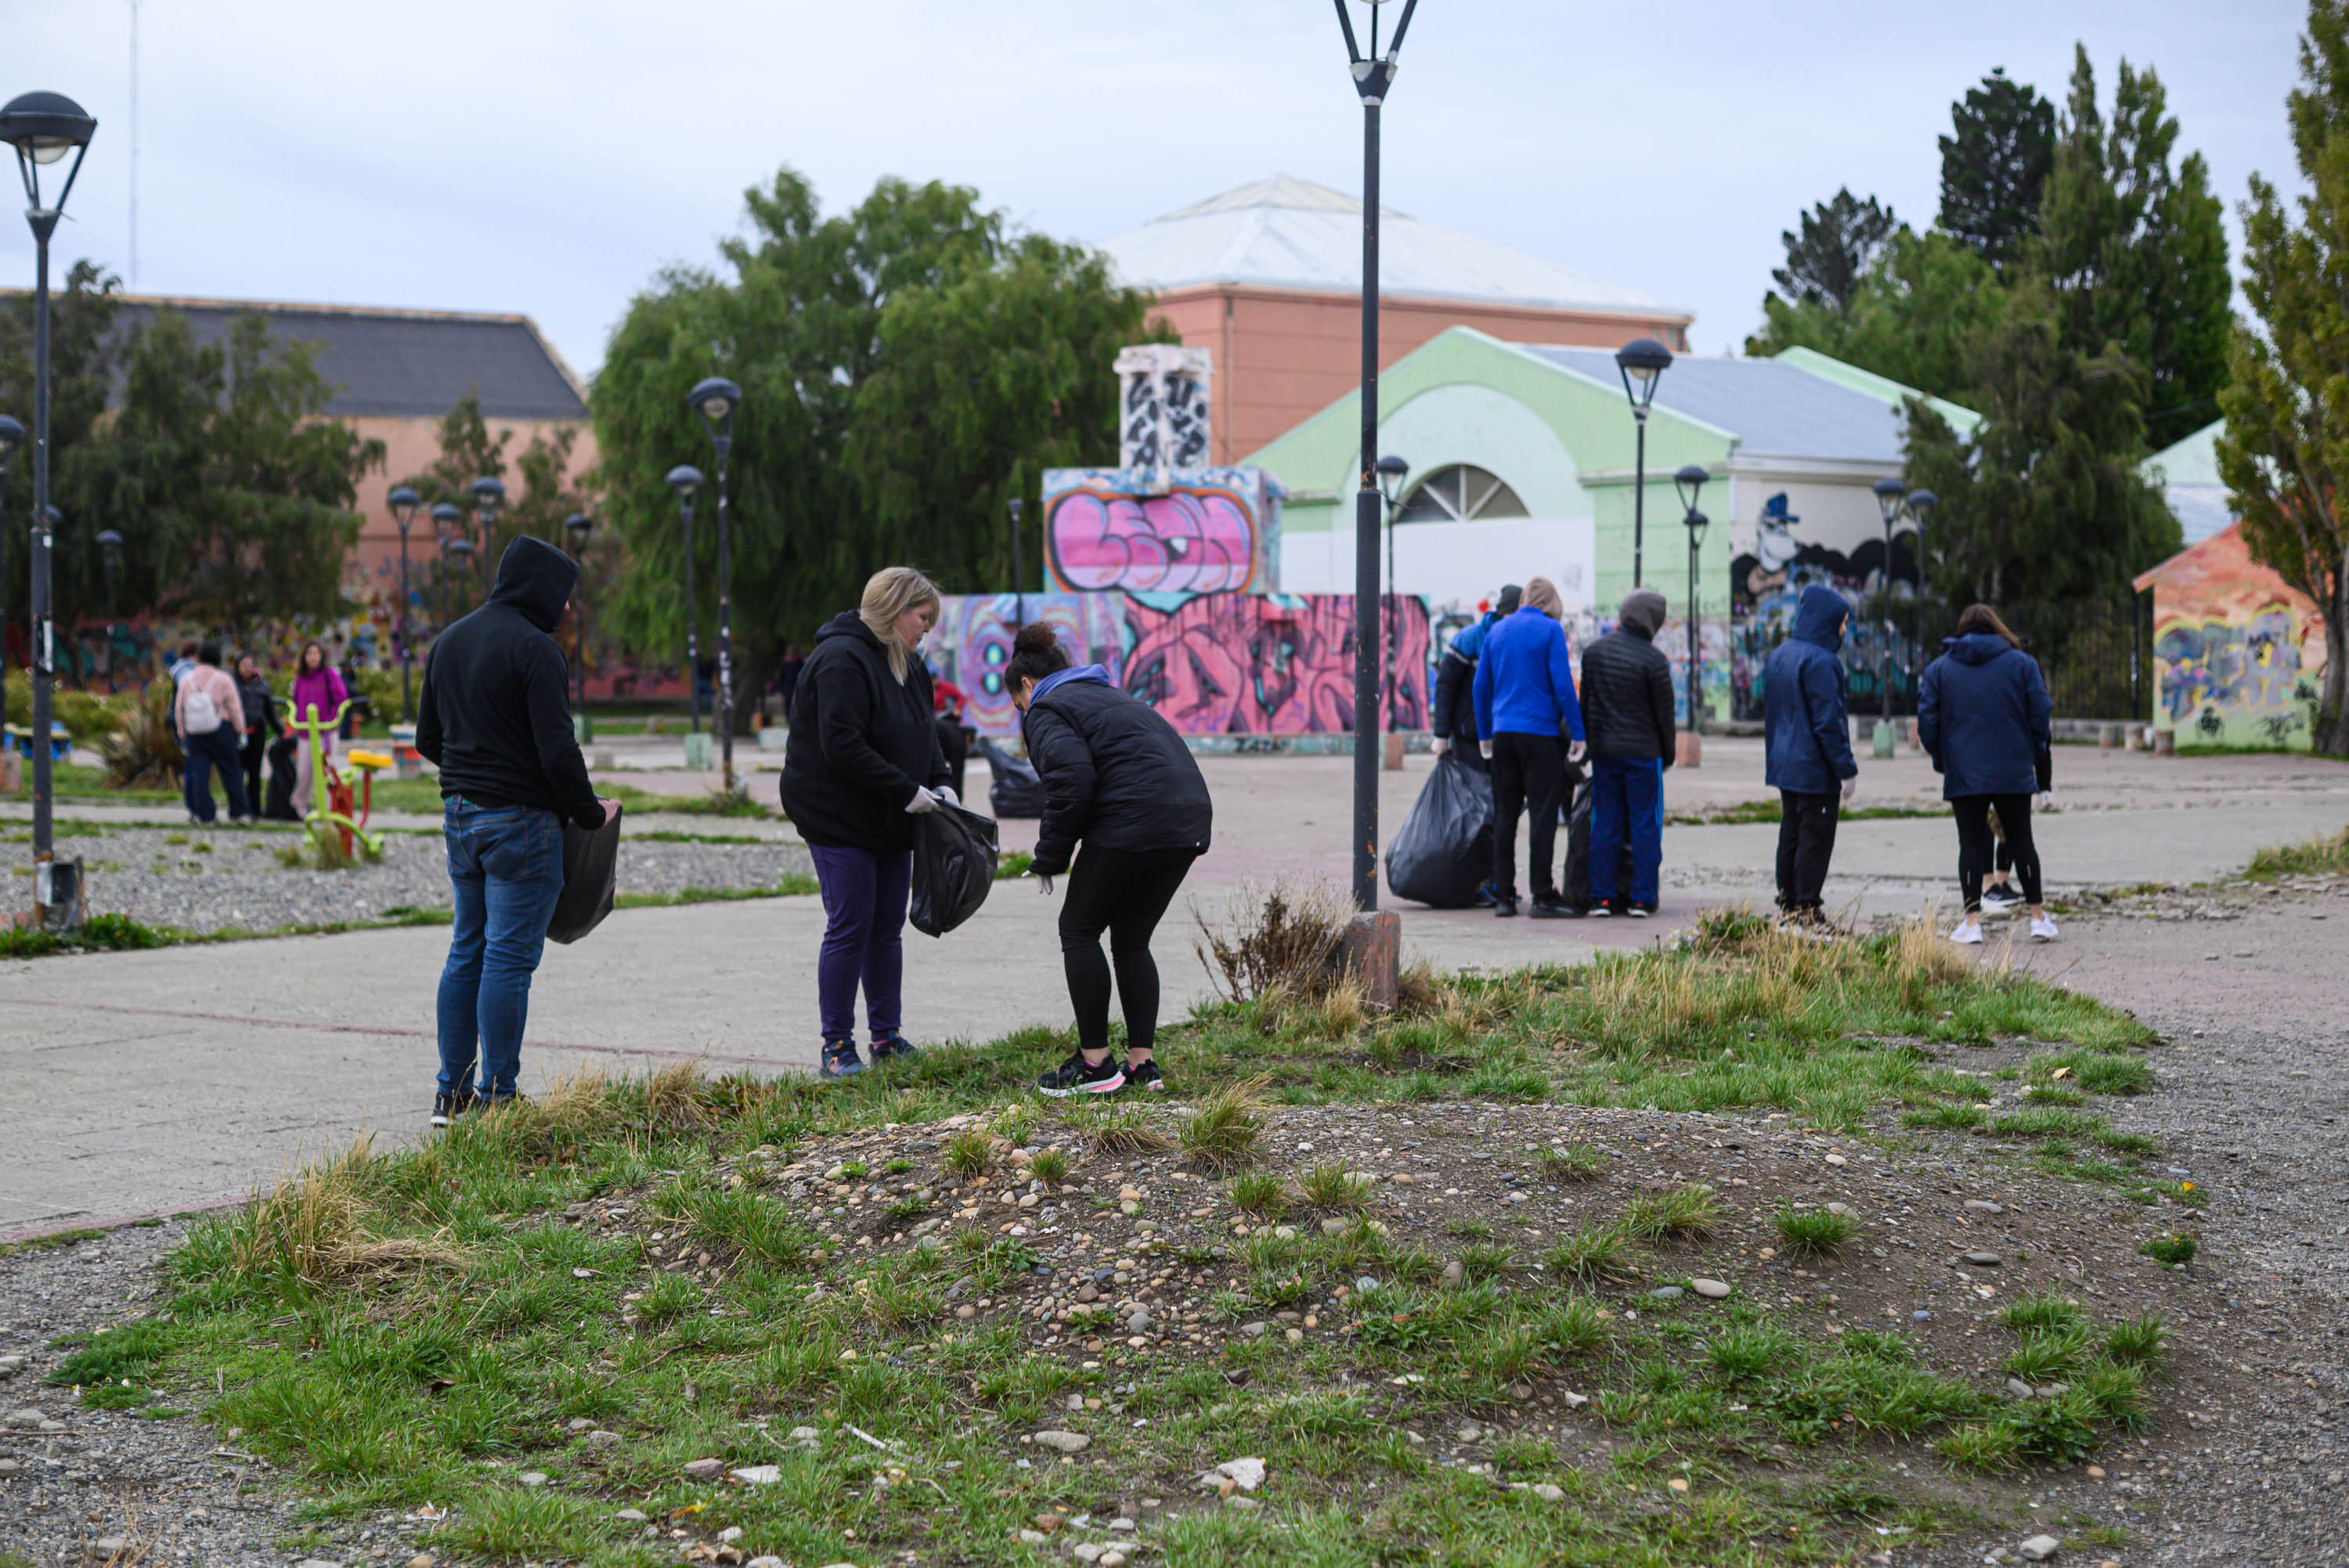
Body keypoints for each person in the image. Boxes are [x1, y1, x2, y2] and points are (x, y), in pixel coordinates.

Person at [417, 536, 608, 1125]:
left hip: (460, 818)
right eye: (563, 595)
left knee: (466, 950)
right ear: (538, 589)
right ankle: (498, 1098)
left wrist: (472, 772)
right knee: (506, 959)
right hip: (521, 825)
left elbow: (428, 738)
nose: (567, 608)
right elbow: (558, 752)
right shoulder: (536, 650)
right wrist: (589, 812)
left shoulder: (449, 641)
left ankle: (451, 1095)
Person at [1006, 622, 1214, 1096]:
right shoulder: (1114, 697)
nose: (1022, 714)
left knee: (1078, 929)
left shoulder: (1047, 707)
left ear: (1027, 685)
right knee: (1132, 939)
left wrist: (1050, 856)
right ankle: (1142, 1065)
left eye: (1018, 704)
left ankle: (1095, 1065)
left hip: (1132, 820)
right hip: (1188, 821)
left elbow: (1072, 780)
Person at [778, 567, 956, 1080]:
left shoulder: (908, 663)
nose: (927, 627)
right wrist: (906, 790)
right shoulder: (841, 659)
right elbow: (842, 744)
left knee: (887, 927)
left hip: (891, 815)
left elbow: (926, 731)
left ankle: (887, 1038)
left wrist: (941, 780)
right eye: (923, 616)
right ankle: (836, 1047)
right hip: (838, 817)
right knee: (851, 924)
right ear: (896, 610)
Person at [1918, 603, 2057, 945]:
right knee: (2022, 841)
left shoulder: (1939, 669)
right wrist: (2035, 751)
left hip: (1963, 769)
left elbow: (1927, 722)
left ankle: (1972, 923)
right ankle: (2038, 918)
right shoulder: (2022, 664)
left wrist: (1943, 758)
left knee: (1970, 844)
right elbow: (2040, 714)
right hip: (2013, 768)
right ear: (1997, 627)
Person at [1472, 575, 1586, 919]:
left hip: (1503, 735)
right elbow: (1563, 686)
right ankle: (1542, 896)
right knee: (1543, 814)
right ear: (1551, 603)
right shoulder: (1551, 631)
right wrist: (1578, 733)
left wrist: (1485, 736)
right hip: (1540, 735)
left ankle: (1504, 896)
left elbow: (1480, 687)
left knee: (1505, 815)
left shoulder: (1497, 631)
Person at [1762, 586, 1860, 928]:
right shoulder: (1822, 662)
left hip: (1784, 764)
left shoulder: (1780, 655)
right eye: (1842, 622)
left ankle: (1788, 904)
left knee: (1791, 832)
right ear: (1825, 620)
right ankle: (1807, 909)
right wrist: (1846, 769)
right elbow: (1828, 723)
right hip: (1814, 767)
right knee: (1815, 837)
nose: (1844, 630)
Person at [1577, 589, 1678, 918]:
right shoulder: (1654, 660)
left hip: (1605, 752)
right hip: (1644, 755)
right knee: (1644, 824)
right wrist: (1668, 755)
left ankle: (1602, 898)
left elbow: (1585, 705)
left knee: (1605, 822)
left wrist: (1588, 747)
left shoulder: (1594, 653)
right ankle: (1642, 899)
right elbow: (1665, 716)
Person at [1430, 583, 1521, 776]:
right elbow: (1446, 685)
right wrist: (1441, 734)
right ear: (1508, 614)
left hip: (1504, 734)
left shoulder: (1519, 641)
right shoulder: (1469, 639)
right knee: (1471, 789)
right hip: (1469, 736)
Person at [173, 643, 252, 824]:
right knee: (231, 771)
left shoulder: (187, 679)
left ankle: (206, 815)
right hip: (221, 729)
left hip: (195, 732)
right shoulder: (223, 679)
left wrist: (182, 732)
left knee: (199, 773)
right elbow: (234, 707)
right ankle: (239, 812)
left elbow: (179, 708)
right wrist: (240, 730)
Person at [288, 641, 350, 813]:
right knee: (303, 772)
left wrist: (331, 720)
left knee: (325, 772)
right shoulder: (301, 677)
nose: (313, 658)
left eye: (316, 653)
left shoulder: (329, 674)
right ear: (304, 657)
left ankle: (329, 809)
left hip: (325, 732)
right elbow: (295, 701)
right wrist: (295, 721)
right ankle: (299, 806)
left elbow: (341, 698)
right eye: (309, 654)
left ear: (322, 656)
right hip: (306, 732)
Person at [233, 653, 278, 816]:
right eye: (244, 665)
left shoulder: (262, 686)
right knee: (237, 772)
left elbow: (271, 712)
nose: (247, 669)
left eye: (250, 665)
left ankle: (255, 809)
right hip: (237, 734)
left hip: (257, 733)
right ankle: (239, 808)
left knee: (255, 773)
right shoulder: (231, 684)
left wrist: (280, 731)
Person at [933, 668, 972, 802]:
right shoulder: (928, 689)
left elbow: (960, 697)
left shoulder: (946, 688)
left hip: (946, 723)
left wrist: (957, 709)